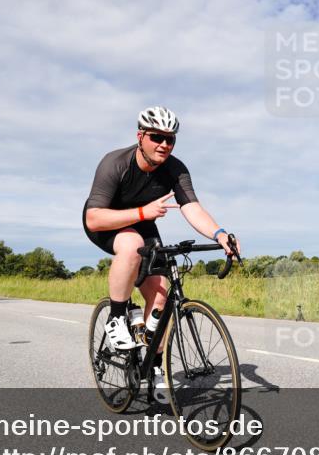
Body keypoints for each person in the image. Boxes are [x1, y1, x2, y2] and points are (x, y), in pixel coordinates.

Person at [83, 106, 240, 403]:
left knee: (160, 295)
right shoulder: (114, 163)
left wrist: (220, 234)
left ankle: (154, 369)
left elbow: (191, 207)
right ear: (140, 136)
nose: (164, 144)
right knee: (130, 245)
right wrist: (143, 212)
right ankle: (116, 318)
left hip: (144, 223)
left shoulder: (175, 169)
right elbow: (94, 218)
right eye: (157, 137)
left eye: (170, 139)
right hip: (107, 222)